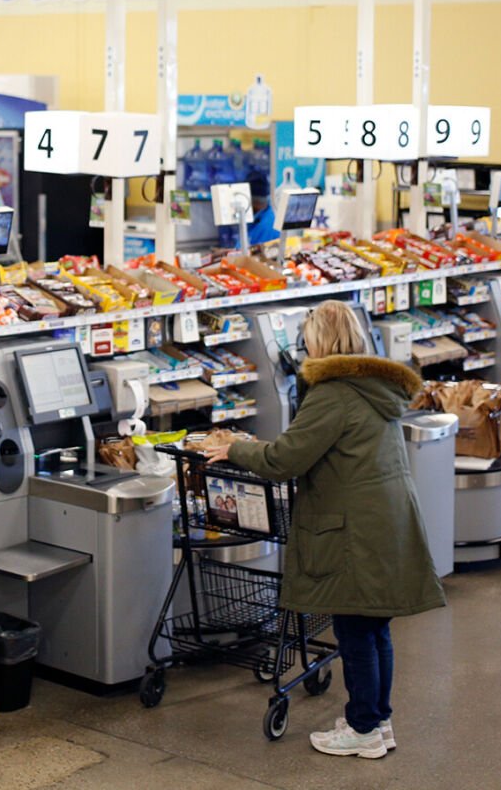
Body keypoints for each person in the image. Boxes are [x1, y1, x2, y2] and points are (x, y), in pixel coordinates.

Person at [202, 300, 444, 760]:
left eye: (308, 336)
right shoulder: (376, 384)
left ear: (323, 342)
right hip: (387, 518)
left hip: (355, 527)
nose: (304, 346)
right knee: (376, 628)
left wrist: (236, 448)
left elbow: (284, 460)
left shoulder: (333, 392)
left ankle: (362, 730)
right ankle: (377, 720)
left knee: (354, 630)